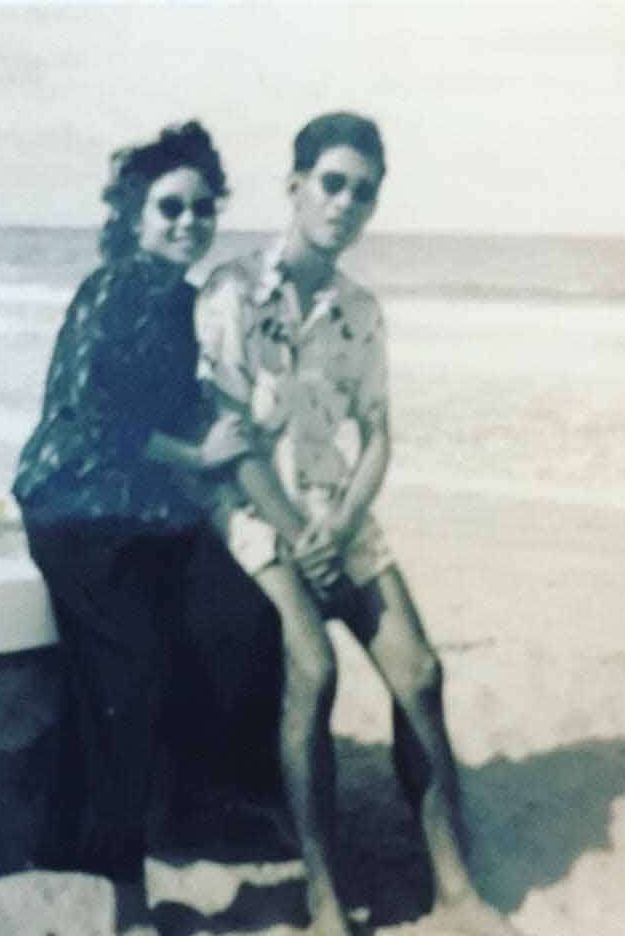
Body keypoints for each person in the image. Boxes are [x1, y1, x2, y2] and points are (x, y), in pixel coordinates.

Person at [195, 112, 521, 936]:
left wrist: (339, 524)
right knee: (314, 669)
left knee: (420, 672)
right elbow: (228, 439)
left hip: (337, 511)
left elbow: (378, 435)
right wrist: (298, 535)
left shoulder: (361, 311)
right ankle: (324, 899)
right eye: (332, 183)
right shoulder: (231, 292)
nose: (345, 203)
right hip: (254, 510)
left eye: (363, 193)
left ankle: (453, 887)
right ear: (296, 185)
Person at [11, 120, 252, 936]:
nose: (190, 221)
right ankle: (125, 900)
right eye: (171, 207)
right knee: (133, 681)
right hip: (78, 512)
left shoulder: (180, 297)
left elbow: (186, 412)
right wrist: (196, 450)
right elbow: (94, 416)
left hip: (142, 511)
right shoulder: (122, 286)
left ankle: (119, 837)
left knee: (235, 618)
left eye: (203, 208)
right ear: (136, 216)